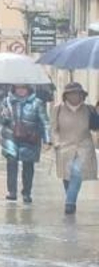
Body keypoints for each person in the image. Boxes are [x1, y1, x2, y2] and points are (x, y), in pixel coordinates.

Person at [0, 82, 50, 204]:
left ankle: (26, 192)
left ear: (28, 89)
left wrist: (47, 139)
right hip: (11, 137)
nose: (21, 90)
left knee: (28, 166)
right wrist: (4, 116)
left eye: (23, 88)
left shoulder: (37, 103)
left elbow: (45, 122)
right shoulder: (7, 101)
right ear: (14, 88)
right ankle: (12, 192)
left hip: (30, 138)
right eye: (18, 87)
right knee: (11, 163)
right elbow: (0, 119)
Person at [51, 81, 96, 215]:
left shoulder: (89, 109)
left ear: (82, 95)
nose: (75, 97)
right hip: (64, 146)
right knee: (67, 176)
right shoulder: (57, 109)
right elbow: (53, 129)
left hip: (84, 147)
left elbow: (95, 127)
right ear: (66, 96)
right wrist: (56, 142)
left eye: (77, 94)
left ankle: (70, 203)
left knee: (76, 172)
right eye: (71, 94)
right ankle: (71, 198)